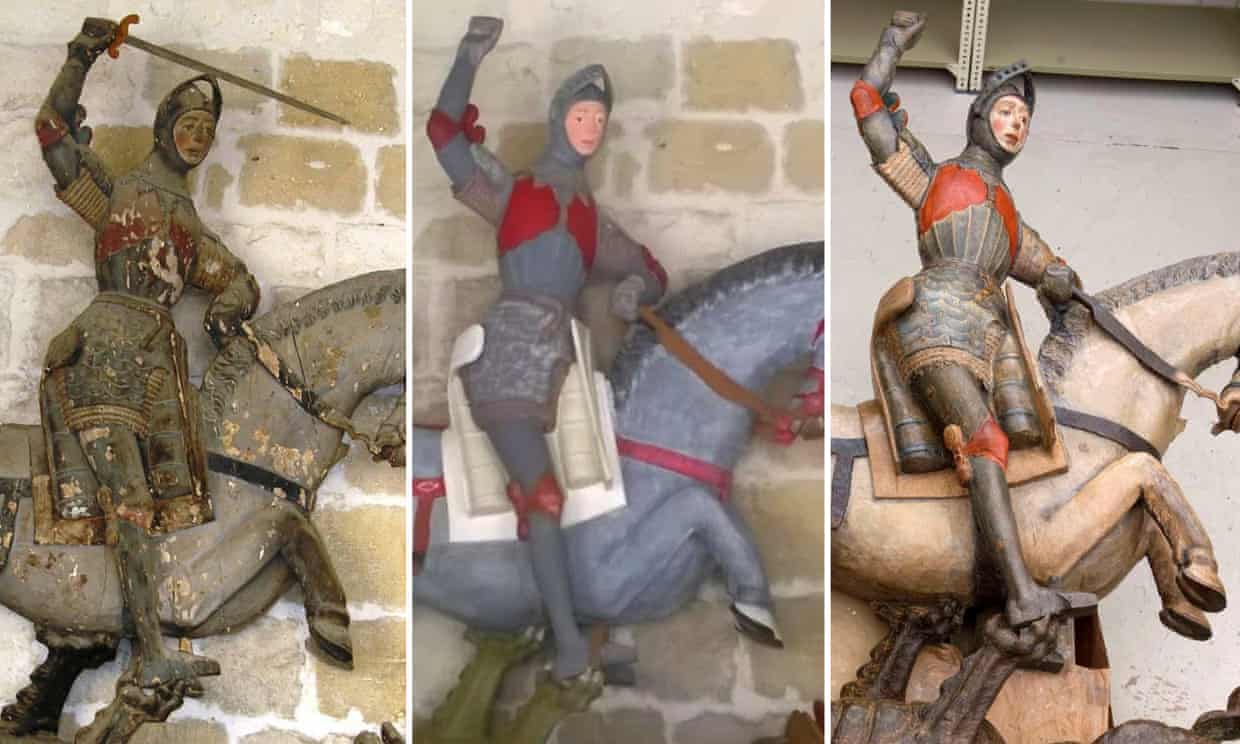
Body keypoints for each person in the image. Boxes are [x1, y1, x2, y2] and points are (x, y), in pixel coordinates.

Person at [35, 17, 352, 685]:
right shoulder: (117, 193)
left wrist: (230, 311)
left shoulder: (192, 228)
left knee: (173, 506)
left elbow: (236, 280)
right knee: (125, 497)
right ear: (164, 126)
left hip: (157, 364)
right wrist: (81, 57)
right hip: (106, 348)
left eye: (209, 132)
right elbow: (52, 132)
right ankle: (147, 654)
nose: (199, 138)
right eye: (190, 125)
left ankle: (151, 633)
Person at [426, 16, 711, 681]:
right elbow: (444, 135)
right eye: (582, 114)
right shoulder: (514, 189)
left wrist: (633, 286)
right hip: (511, 355)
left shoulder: (590, 216)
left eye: (599, 121)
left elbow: (652, 270)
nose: (591, 128)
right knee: (546, 496)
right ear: (559, 118)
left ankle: (588, 610)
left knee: (608, 486)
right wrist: (469, 56)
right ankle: (566, 644)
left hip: (569, 359)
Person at [851, 11, 1097, 627]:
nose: (1017, 125)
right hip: (934, 317)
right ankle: (1020, 595)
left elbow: (1048, 269)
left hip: (991, 330)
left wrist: (1071, 286)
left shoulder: (1011, 217)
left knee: (1028, 438)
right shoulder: (935, 178)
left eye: (1025, 120)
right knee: (985, 438)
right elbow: (867, 105)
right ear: (979, 115)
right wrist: (889, 47)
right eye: (1008, 112)